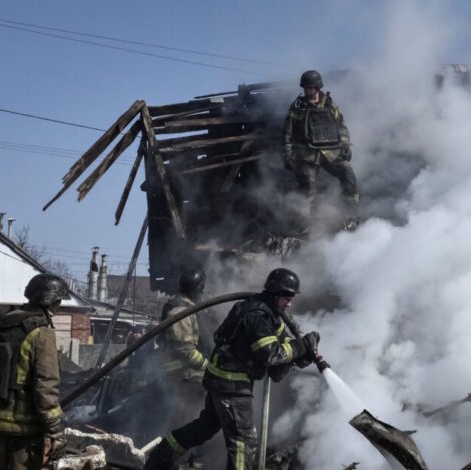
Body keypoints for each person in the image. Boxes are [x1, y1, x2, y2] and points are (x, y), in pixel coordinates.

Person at [145, 268, 320, 470]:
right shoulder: (257, 316)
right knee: (243, 441)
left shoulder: (265, 311)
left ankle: (160, 458)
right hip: (232, 385)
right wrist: (301, 347)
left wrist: (300, 349)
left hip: (221, 381)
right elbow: (271, 354)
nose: (289, 303)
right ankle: (160, 459)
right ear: (275, 293)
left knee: (206, 427)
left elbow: (282, 338)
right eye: (287, 298)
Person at [0, 273, 69, 470]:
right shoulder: (41, 333)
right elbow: (45, 388)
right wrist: (56, 431)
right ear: (53, 302)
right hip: (21, 432)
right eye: (59, 302)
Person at [282, 70, 359, 232]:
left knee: (347, 173)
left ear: (317, 87)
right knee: (307, 189)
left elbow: (341, 126)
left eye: (310, 88)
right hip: (307, 155)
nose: (307, 91)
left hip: (330, 153)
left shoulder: (330, 104)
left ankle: (350, 216)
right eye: (305, 88)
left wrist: (345, 145)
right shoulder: (297, 107)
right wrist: (287, 154)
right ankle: (305, 228)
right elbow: (287, 133)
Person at [157, 268, 210, 429]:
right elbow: (185, 349)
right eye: (202, 289)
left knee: (193, 421)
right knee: (184, 423)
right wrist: (208, 367)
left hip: (189, 376)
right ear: (197, 289)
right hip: (184, 377)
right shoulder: (180, 311)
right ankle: (172, 453)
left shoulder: (190, 306)